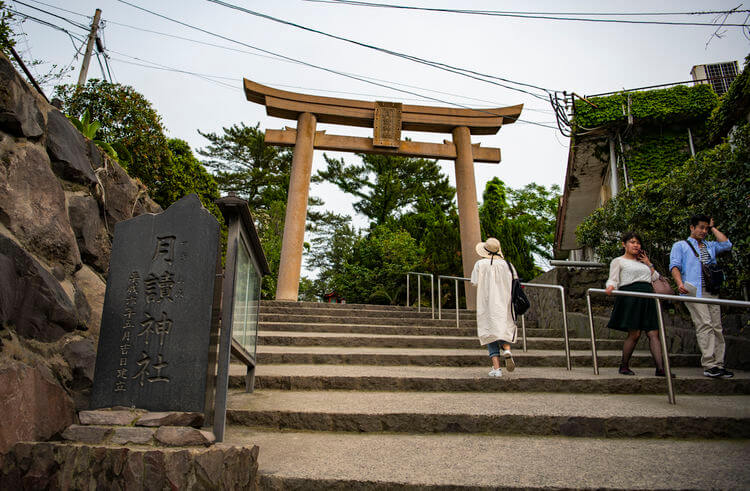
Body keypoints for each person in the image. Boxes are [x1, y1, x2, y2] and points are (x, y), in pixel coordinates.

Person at [669, 215, 733, 378]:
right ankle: (709, 364)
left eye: (706, 228)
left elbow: (726, 244)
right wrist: (679, 283)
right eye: (701, 227)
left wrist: (713, 228)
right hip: (692, 289)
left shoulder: (709, 246)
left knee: (716, 326)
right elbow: (674, 265)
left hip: (711, 290)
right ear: (692, 227)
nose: (703, 231)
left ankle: (719, 363)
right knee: (704, 323)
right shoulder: (680, 245)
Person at [605, 232, 673, 377]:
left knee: (653, 332)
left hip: (648, 296)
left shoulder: (643, 262)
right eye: (632, 242)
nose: (636, 245)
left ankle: (661, 369)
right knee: (634, 334)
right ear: (624, 244)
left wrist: (648, 263)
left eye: (638, 243)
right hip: (631, 296)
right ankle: (624, 365)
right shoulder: (618, 261)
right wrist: (610, 287)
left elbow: (655, 278)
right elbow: (613, 278)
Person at [470, 237, 518, 377]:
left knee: (490, 332)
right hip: (505, 301)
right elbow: (515, 280)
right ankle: (507, 349)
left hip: (487, 302)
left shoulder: (480, 264)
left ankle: (496, 369)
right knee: (503, 327)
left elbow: (474, 281)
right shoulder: (508, 265)